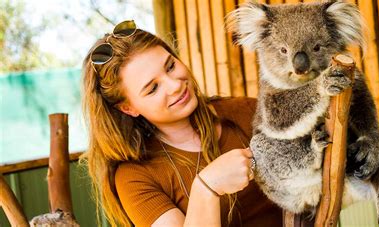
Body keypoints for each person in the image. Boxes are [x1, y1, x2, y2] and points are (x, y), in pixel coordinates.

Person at [80, 20, 282, 227]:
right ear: (128, 108)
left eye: (170, 66)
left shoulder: (246, 111)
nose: (175, 85)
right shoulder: (135, 176)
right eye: (153, 89)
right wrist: (206, 188)